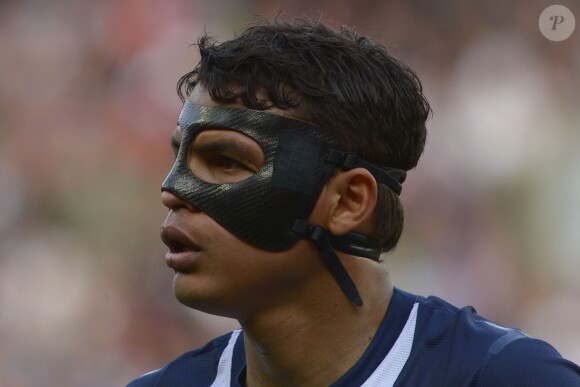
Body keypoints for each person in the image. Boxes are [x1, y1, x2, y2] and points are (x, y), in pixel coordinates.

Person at [127, 18, 580, 387]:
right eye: (181, 157)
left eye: (225, 160)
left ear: (347, 201)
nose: (172, 189)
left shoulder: (511, 379)